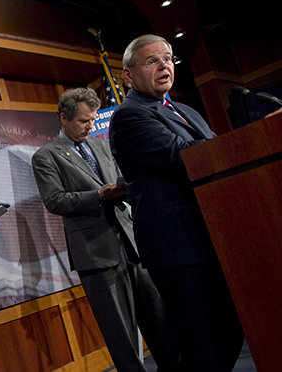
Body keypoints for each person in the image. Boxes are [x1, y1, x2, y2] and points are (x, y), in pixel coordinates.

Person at [110, 34, 245, 371]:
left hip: (209, 236)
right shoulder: (129, 116)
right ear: (128, 75)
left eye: (168, 58)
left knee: (231, 330)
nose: (164, 66)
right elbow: (184, 157)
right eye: (152, 61)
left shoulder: (185, 110)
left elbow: (213, 152)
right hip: (176, 246)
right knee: (201, 344)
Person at [31, 88, 179, 372]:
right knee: (122, 336)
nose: (90, 125)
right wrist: (100, 195)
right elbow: (55, 200)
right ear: (63, 118)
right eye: (83, 121)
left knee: (161, 322)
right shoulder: (46, 156)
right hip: (96, 255)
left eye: (93, 119)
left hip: (134, 245)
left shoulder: (100, 145)